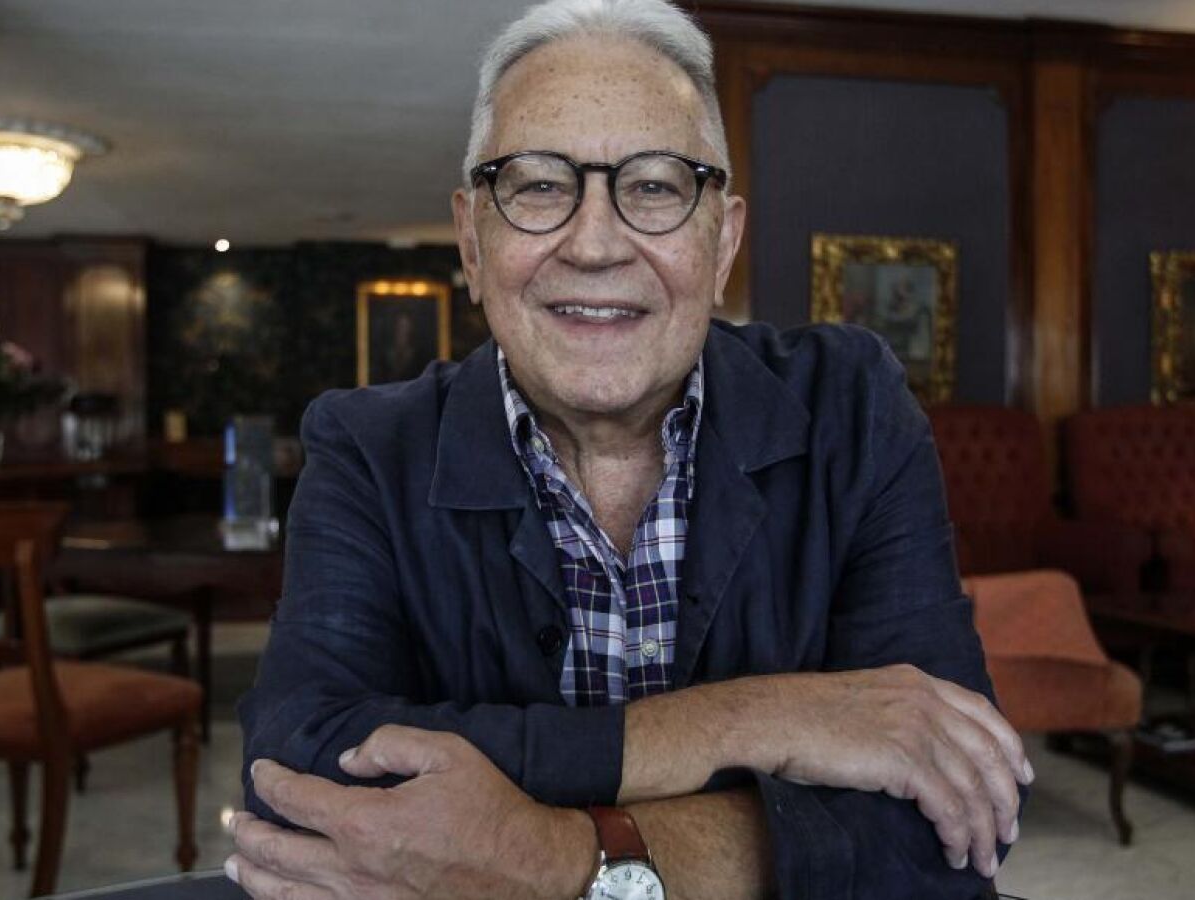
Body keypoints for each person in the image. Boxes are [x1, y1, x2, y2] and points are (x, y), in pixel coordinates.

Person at [230, 2, 1030, 898]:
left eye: (654, 187)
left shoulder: (852, 405)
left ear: (721, 241)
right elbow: (295, 768)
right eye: (538, 186)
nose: (596, 242)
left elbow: (955, 814)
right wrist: (757, 719)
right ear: (472, 241)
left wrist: (552, 858)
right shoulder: (368, 447)